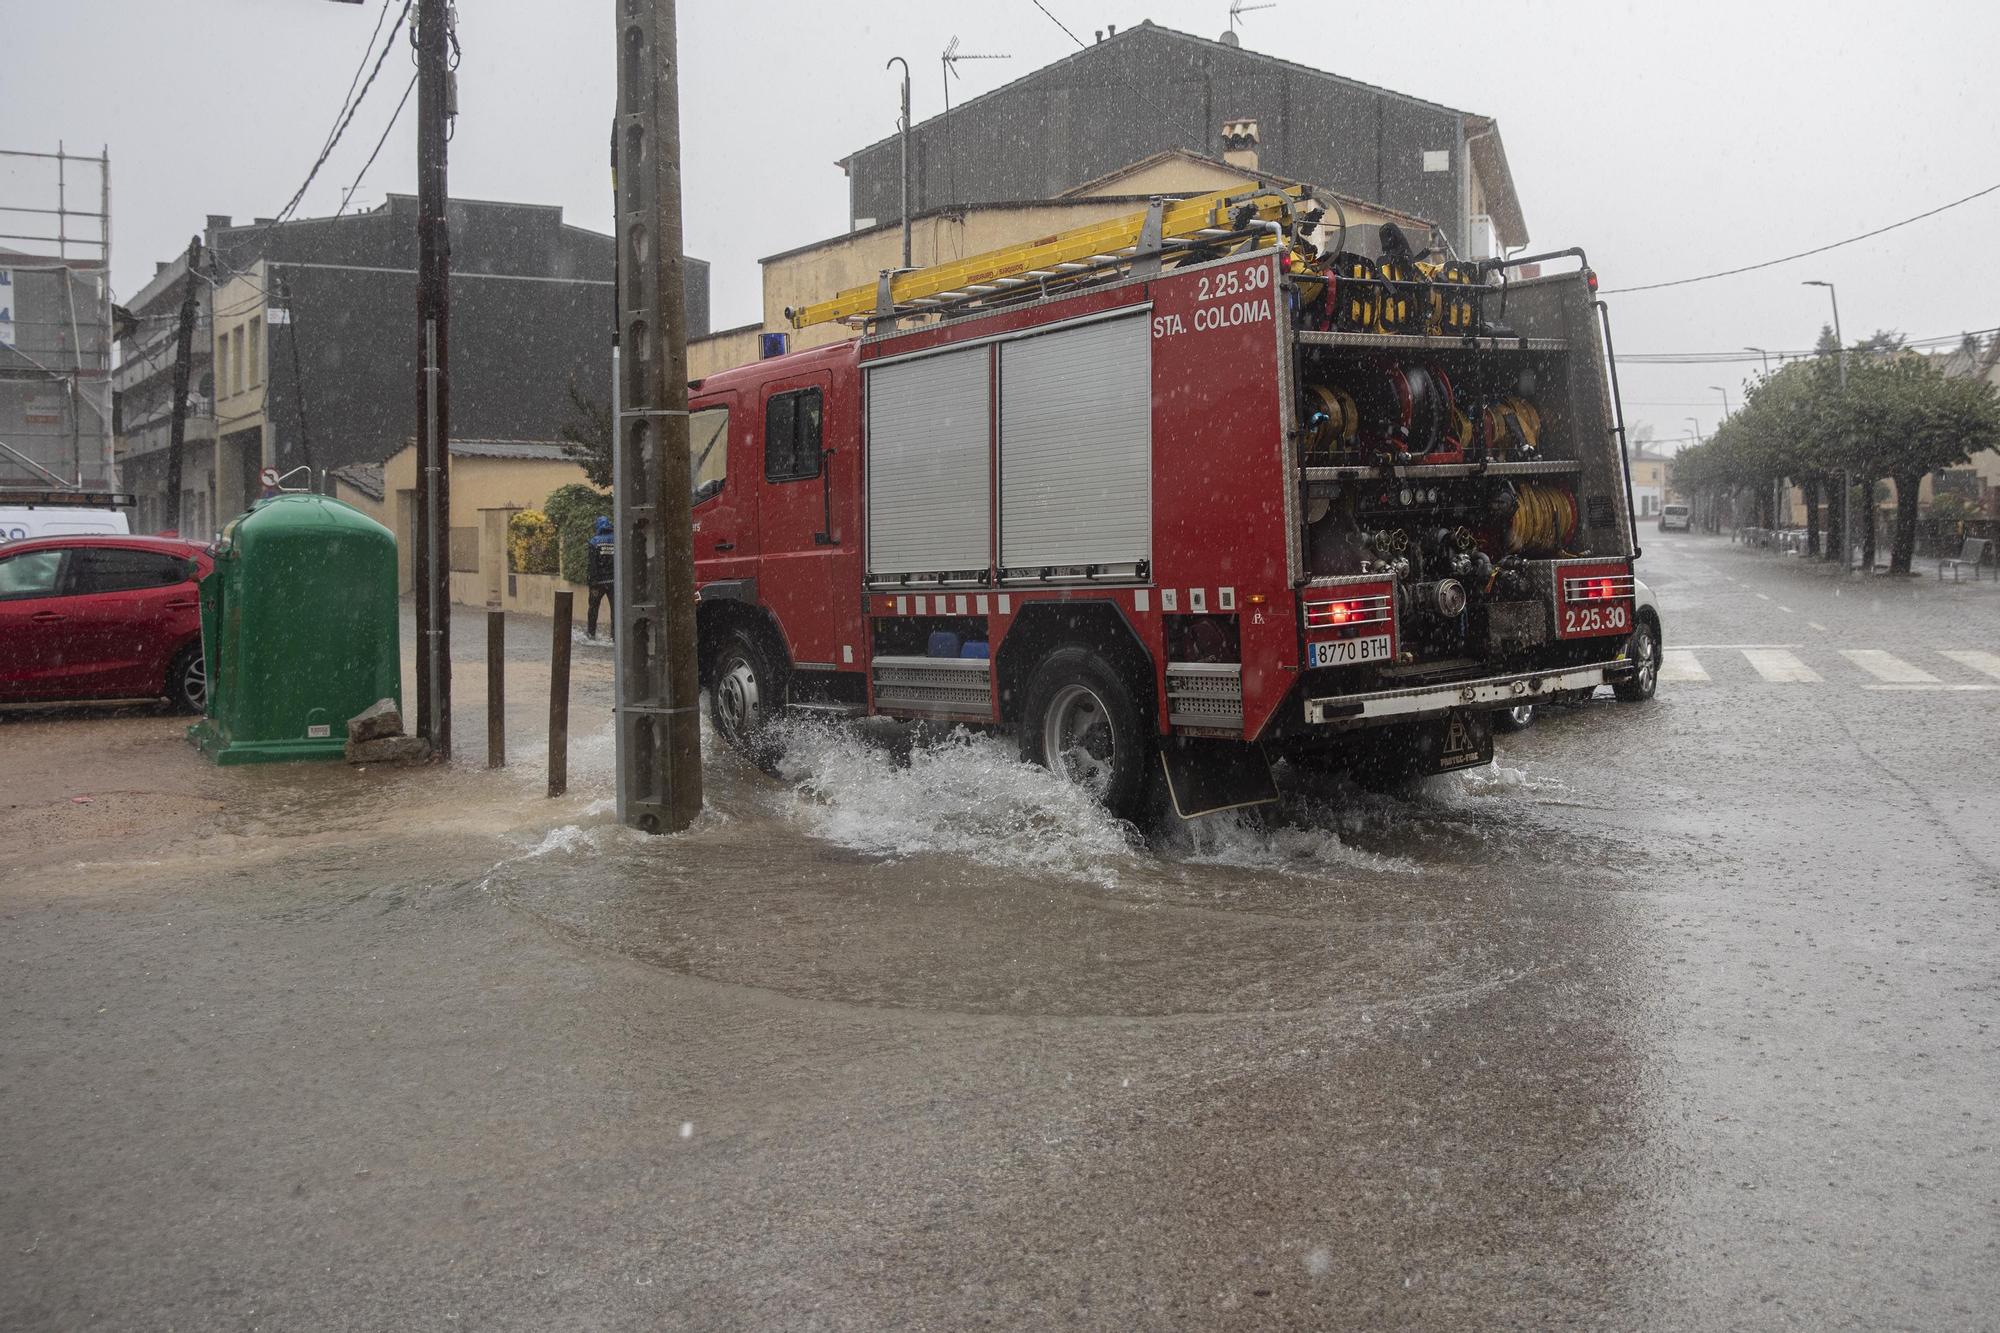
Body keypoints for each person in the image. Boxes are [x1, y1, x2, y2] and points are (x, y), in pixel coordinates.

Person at [586, 515, 615, 640]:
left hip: (598, 583)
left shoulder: (594, 542)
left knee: (593, 609)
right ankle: (614, 636)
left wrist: (592, 582)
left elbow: (592, 564)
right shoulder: (616, 540)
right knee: (615, 610)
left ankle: (591, 634)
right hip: (614, 582)